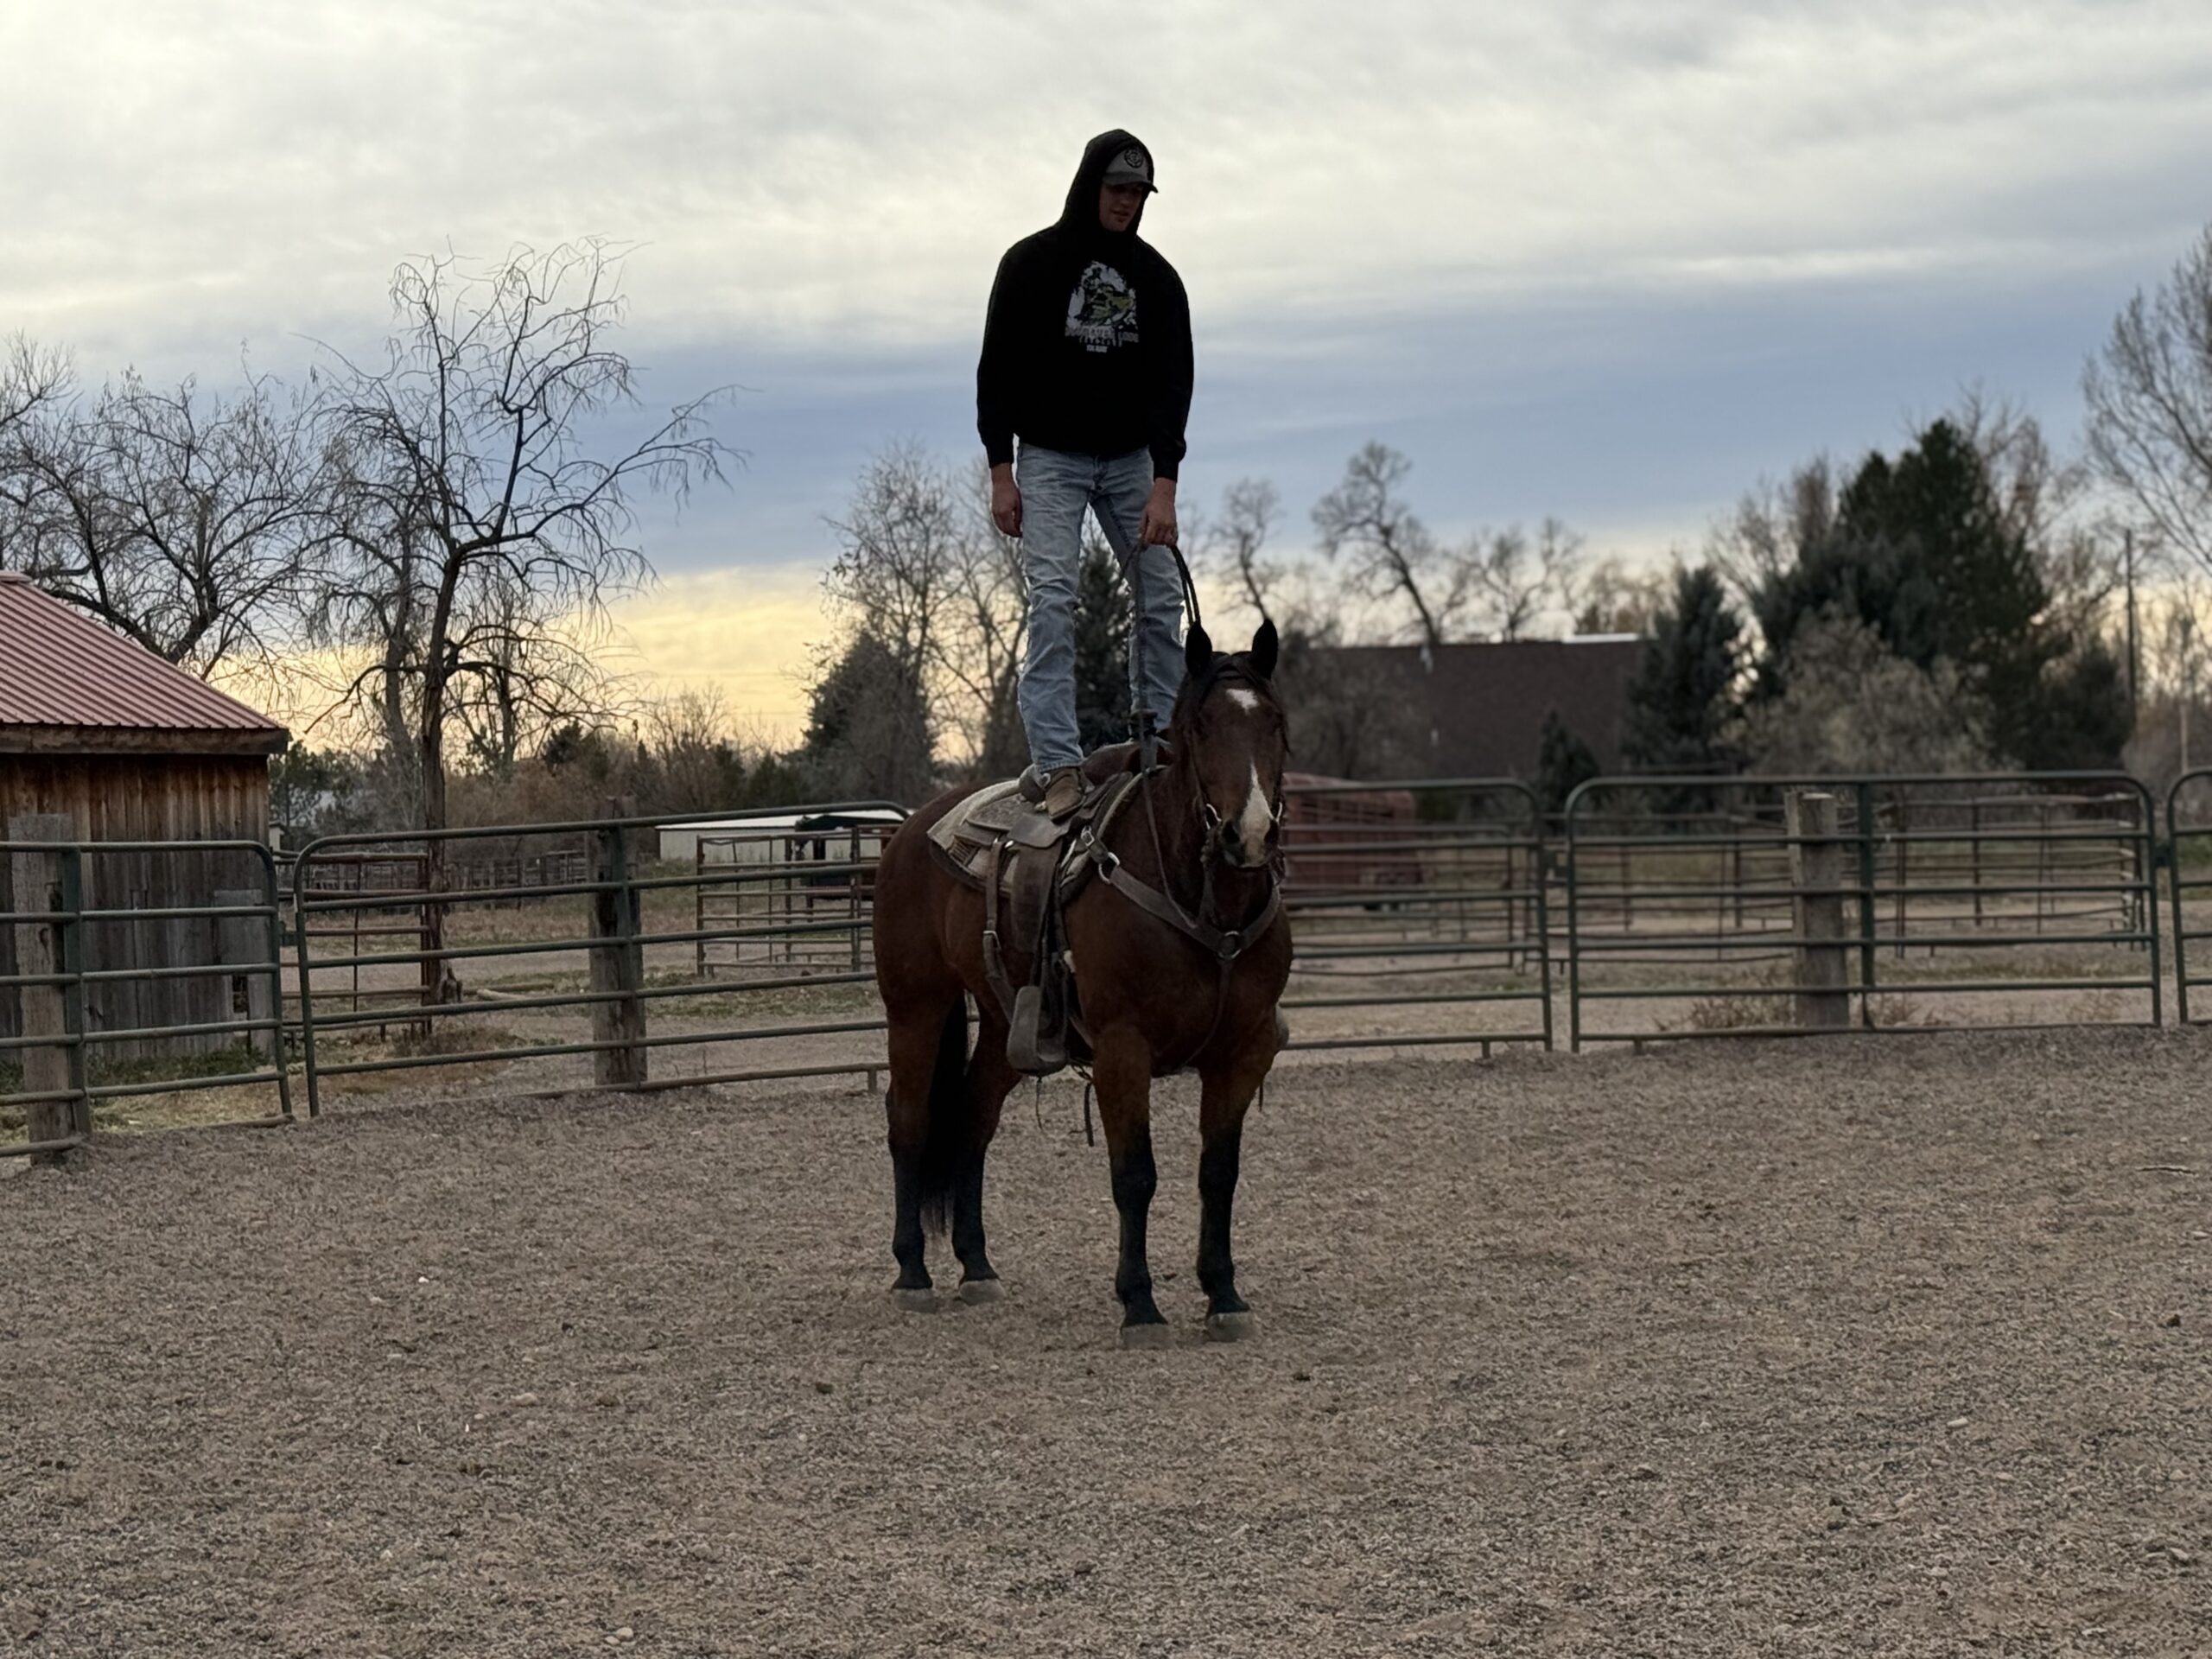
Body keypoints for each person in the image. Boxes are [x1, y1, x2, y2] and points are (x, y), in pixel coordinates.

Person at [977, 129, 1193, 817]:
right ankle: (1059, 763)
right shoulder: (1031, 264)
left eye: (1137, 193)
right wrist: (1000, 469)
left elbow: (1173, 382)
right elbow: (996, 370)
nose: (1127, 204)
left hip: (1132, 461)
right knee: (1053, 598)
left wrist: (1165, 481)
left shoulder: (1157, 280)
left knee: (1160, 597)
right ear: (1090, 186)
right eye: (1117, 190)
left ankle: (1157, 744)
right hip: (1050, 458)